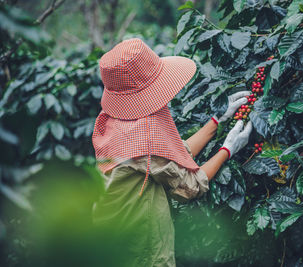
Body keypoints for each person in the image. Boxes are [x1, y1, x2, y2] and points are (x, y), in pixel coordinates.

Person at [91, 38, 252, 267]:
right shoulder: (143, 137)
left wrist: (216, 121)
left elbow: (170, 157)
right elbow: (190, 186)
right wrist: (228, 148)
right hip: (138, 251)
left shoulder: (115, 121)